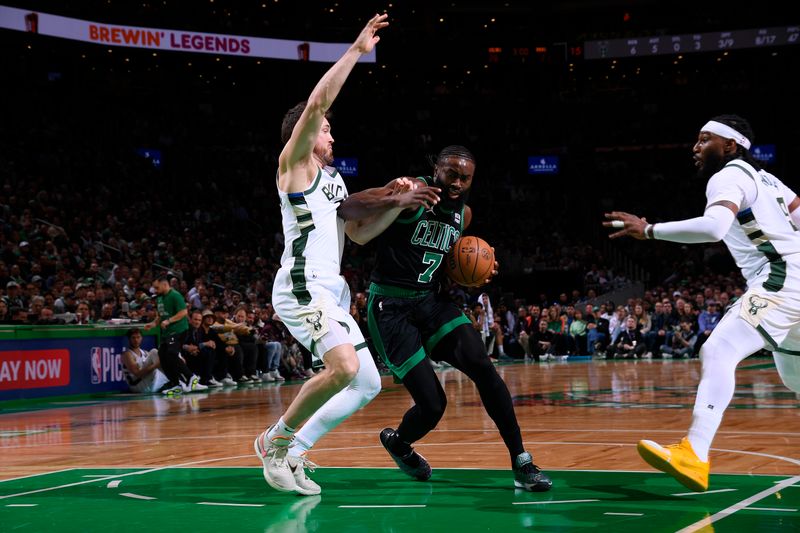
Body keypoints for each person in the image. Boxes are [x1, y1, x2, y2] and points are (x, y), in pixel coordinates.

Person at [254, 13, 441, 497]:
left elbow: (357, 234)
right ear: (306, 133)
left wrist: (398, 202)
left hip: (330, 288)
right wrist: (357, 50)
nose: (332, 136)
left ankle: (295, 451)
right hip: (301, 284)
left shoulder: (334, 181)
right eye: (327, 131)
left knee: (367, 384)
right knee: (343, 368)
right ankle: (275, 442)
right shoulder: (293, 166)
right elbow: (318, 101)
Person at [604, 114, 800, 492]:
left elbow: (713, 228)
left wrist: (649, 230)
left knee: (719, 349)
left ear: (730, 145)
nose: (695, 147)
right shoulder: (770, 180)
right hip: (794, 279)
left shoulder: (727, 176)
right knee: (796, 381)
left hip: (781, 278)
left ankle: (693, 451)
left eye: (703, 140)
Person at [361, 145, 552, 492]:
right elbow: (363, 222)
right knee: (433, 406)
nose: (457, 182)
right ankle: (399, 442)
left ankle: (521, 460)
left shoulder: (462, 215)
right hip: (390, 307)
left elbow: (448, 259)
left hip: (430, 301)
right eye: (451, 173)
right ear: (436, 169)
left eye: (465, 177)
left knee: (483, 365)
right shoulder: (414, 192)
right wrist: (392, 198)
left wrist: (477, 270)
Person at [144, 276, 207, 394]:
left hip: (178, 331)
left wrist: (169, 321)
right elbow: (160, 316)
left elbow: (184, 312)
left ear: (165, 285)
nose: (155, 290)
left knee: (171, 354)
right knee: (162, 356)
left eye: (157, 287)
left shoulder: (175, 295)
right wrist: (152, 324)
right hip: (167, 333)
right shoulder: (159, 298)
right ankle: (176, 384)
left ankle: (190, 377)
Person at [121, 327, 170, 393]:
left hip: (147, 383)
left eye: (138, 337)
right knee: (154, 352)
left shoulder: (145, 352)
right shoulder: (127, 354)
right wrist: (155, 365)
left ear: (141, 338)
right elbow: (138, 374)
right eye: (133, 338)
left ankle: (173, 382)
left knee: (165, 353)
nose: (136, 340)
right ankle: (173, 382)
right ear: (129, 339)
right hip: (137, 385)